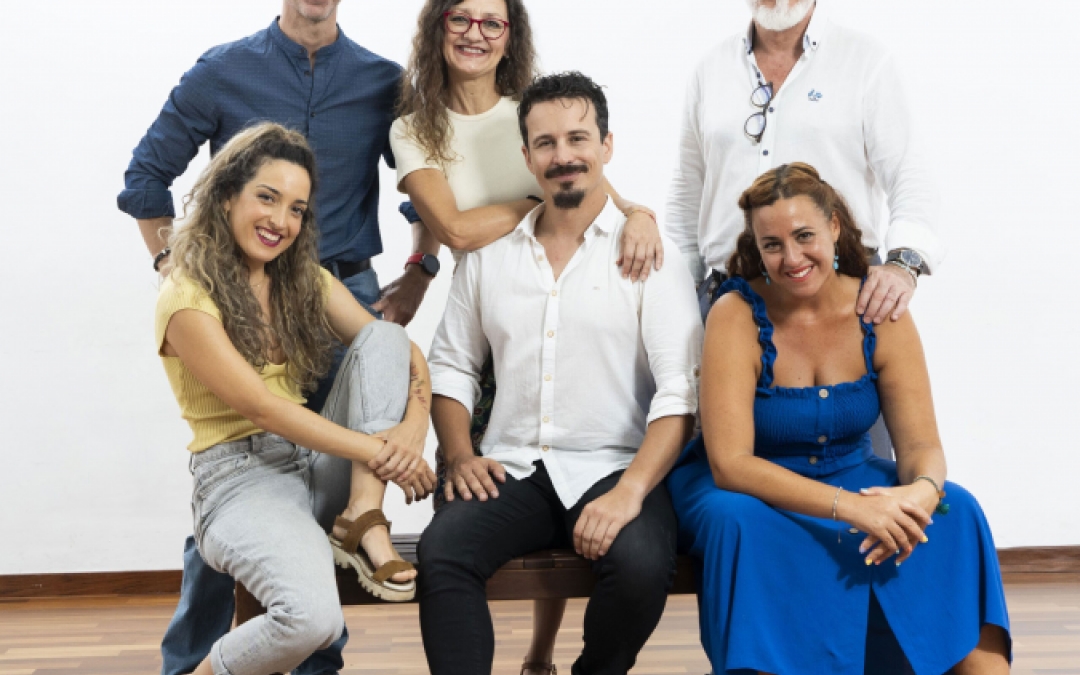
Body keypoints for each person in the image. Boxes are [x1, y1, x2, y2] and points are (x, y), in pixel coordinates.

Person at [117, 2, 430, 672]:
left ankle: (360, 528)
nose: (281, 213)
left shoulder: (383, 81)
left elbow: (426, 186)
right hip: (235, 302)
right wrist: (180, 270)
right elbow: (145, 178)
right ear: (233, 194)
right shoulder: (222, 70)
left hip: (333, 285)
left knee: (324, 472)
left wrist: (419, 270)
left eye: (294, 206)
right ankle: (197, 659)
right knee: (250, 499)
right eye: (266, 196)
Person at [390, 2, 666, 672]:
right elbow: (454, 231)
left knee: (586, 479)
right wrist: (539, 205)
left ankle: (542, 654)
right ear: (437, 27)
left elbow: (599, 186)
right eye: (460, 18)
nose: (475, 33)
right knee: (476, 505)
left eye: (493, 21)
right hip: (498, 299)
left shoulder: (537, 112)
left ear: (511, 35)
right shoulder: (416, 127)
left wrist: (640, 213)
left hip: (564, 297)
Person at [666, 163, 1010, 675]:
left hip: (851, 470)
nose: (792, 258)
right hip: (749, 485)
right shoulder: (735, 312)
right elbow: (731, 464)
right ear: (756, 247)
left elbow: (921, 447)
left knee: (955, 508)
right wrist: (851, 508)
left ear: (833, 226)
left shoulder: (878, 307)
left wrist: (922, 492)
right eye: (772, 244)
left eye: (804, 236)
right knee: (738, 522)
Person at [667, 0, 941, 326]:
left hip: (842, 297)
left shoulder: (866, 61)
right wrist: (678, 291)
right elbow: (688, 189)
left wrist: (903, 264)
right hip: (729, 300)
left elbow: (909, 171)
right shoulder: (711, 69)